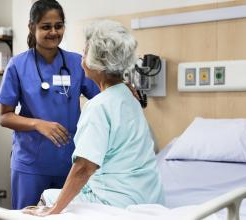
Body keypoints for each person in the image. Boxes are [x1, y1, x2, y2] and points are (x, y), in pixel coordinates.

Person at [24, 19, 165, 217]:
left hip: (116, 203)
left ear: (99, 64)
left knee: (47, 197)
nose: (82, 54)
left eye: (86, 50)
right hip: (149, 197)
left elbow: (84, 168)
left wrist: (55, 209)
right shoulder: (129, 96)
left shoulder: (98, 106)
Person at [0, 0, 99, 209]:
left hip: (69, 164)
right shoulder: (17, 65)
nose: (54, 32)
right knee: (27, 214)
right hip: (30, 165)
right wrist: (38, 124)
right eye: (46, 27)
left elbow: (102, 95)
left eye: (58, 26)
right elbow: (4, 116)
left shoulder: (76, 63)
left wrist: (123, 87)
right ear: (32, 27)